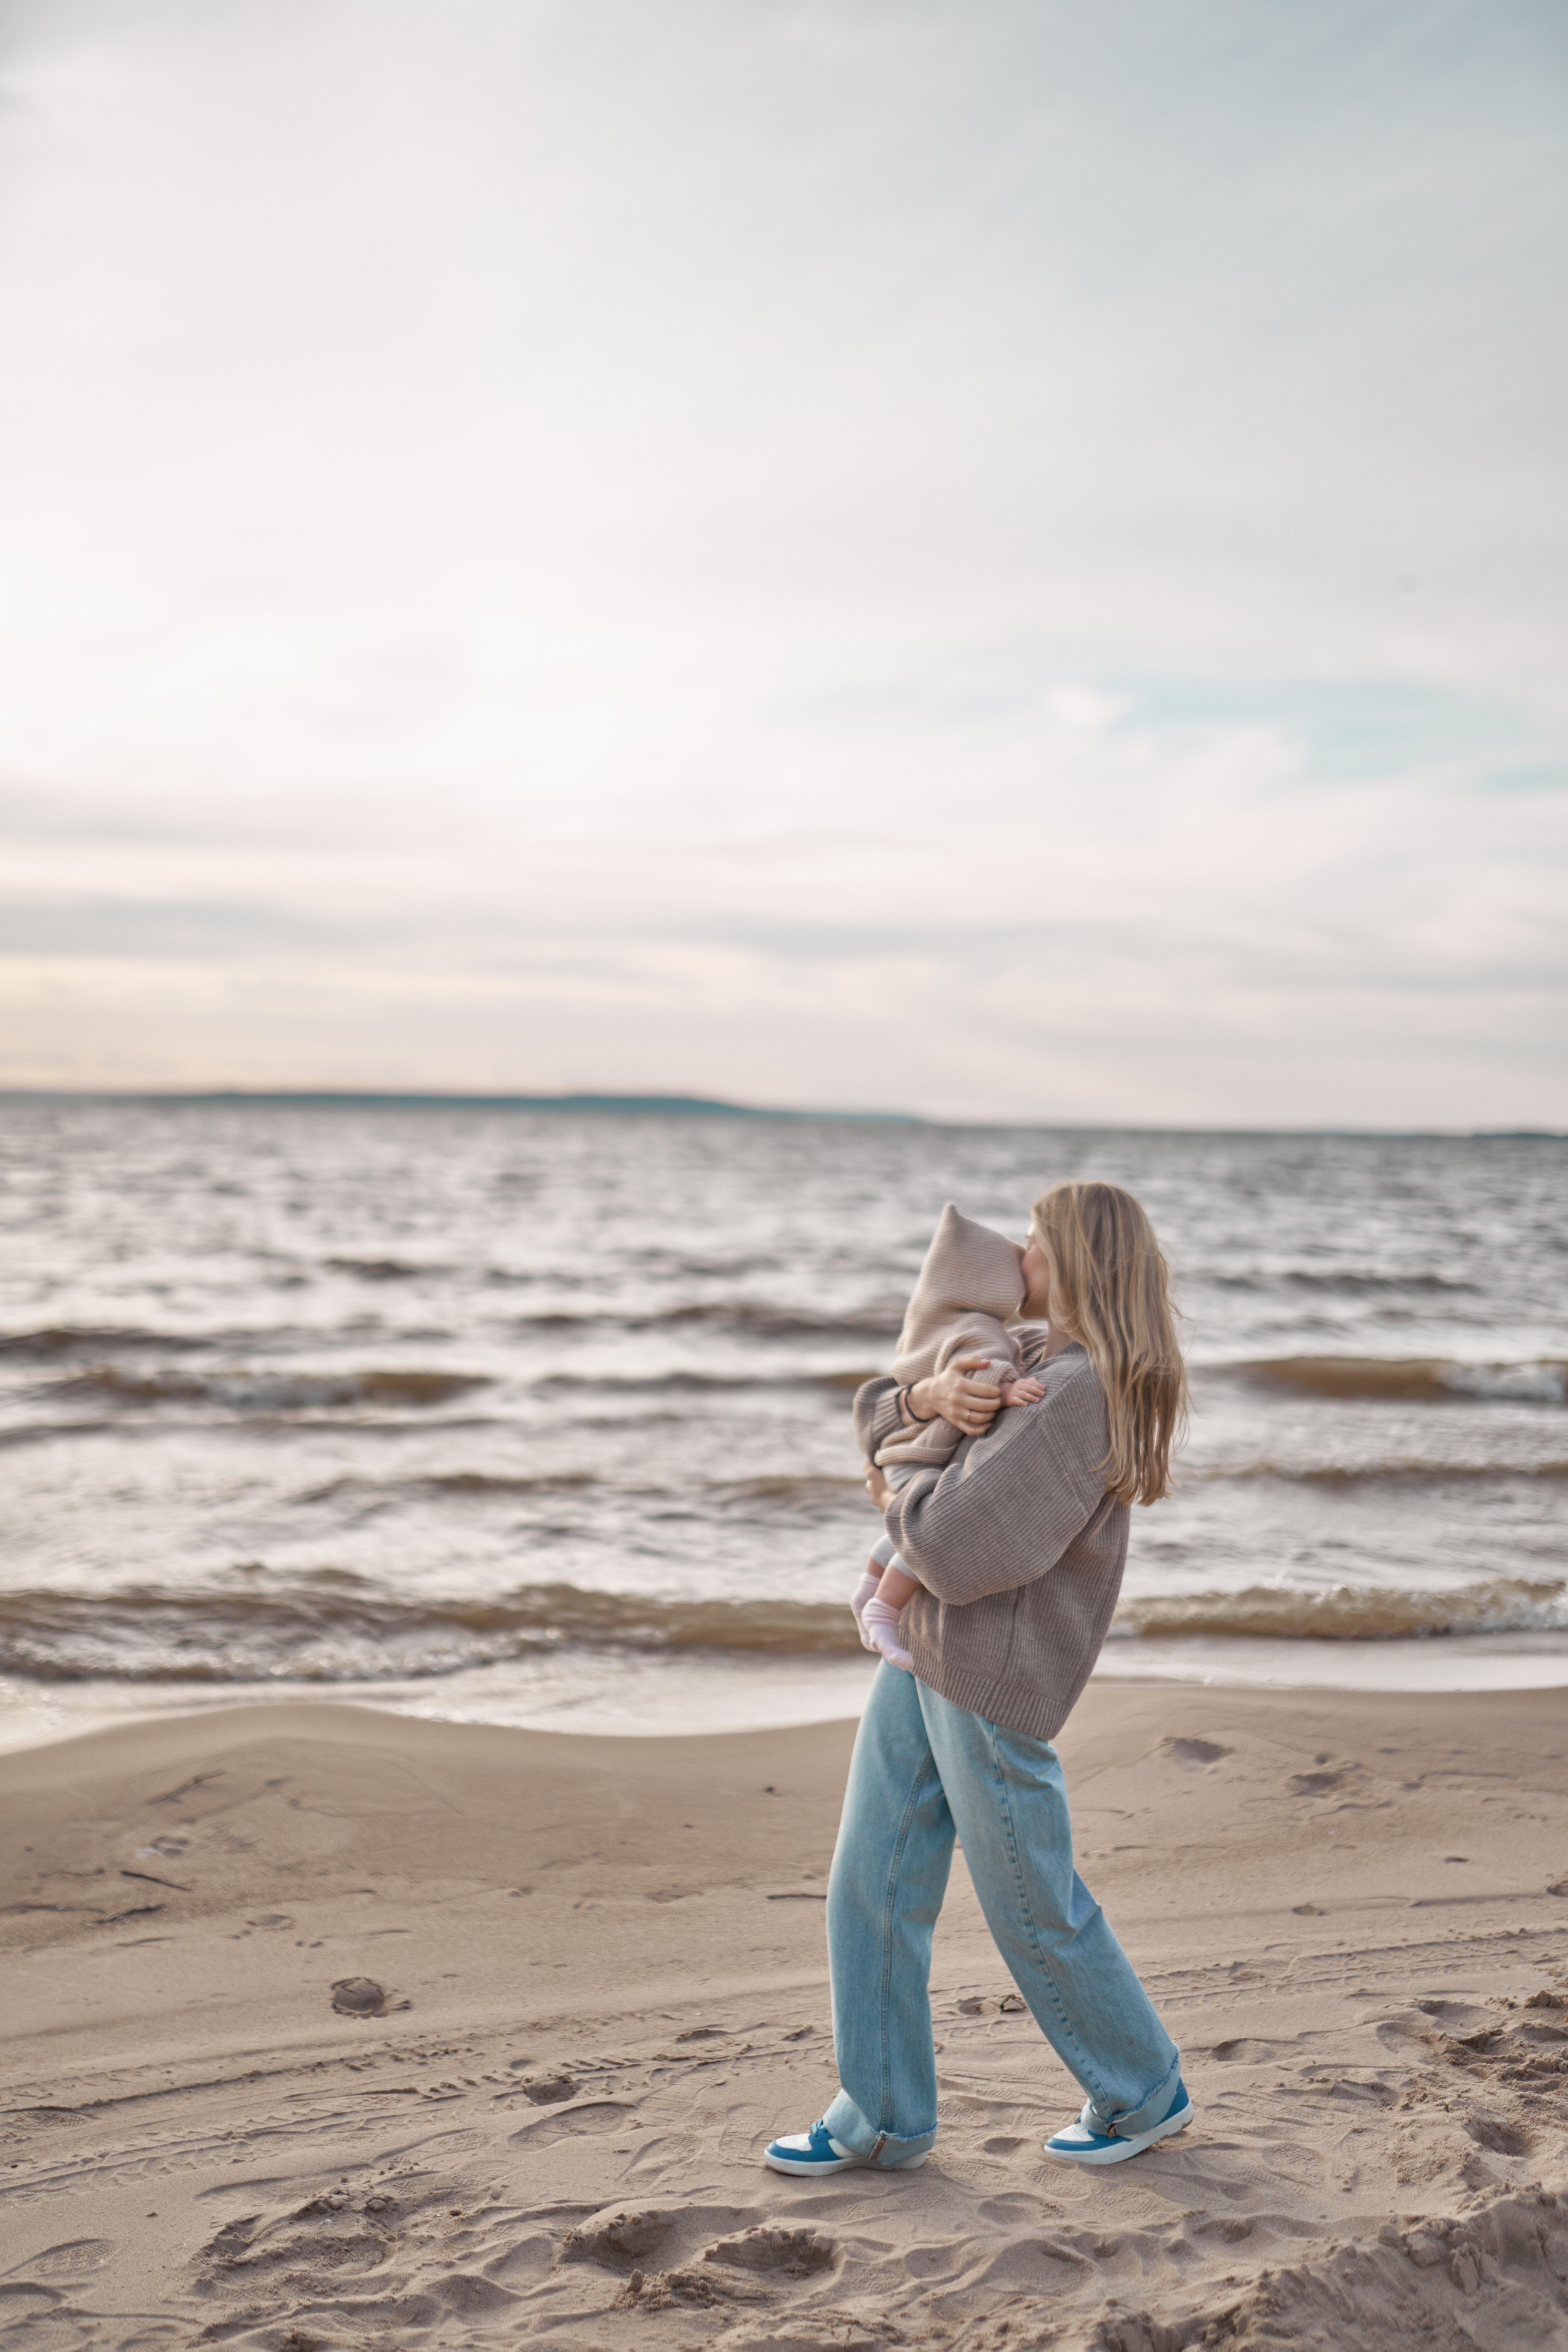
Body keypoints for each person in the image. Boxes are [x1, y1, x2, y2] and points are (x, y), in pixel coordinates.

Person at [765, 1179, 1191, 2176]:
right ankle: (882, 2115)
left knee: (1032, 1904)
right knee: (868, 1883)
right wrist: (919, 1404)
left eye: (1036, 1247)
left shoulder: (1080, 1392)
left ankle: (1143, 2089)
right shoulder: (1035, 1360)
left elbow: (952, 1534)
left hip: (989, 1677)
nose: (1017, 1264)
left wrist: (896, 1481)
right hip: (931, 1651)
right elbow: (881, 1411)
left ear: (1079, 1264)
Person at [852, 1202, 1045, 1671]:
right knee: (929, 1528)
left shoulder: (930, 1323)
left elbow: (875, 1405)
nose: (1026, 1257)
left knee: (909, 1529)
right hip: (919, 1452)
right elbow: (981, 1372)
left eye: (1035, 1244)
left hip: (900, 1450)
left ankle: (866, 1592)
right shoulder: (980, 1327)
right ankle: (884, 1607)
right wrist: (1007, 1388)